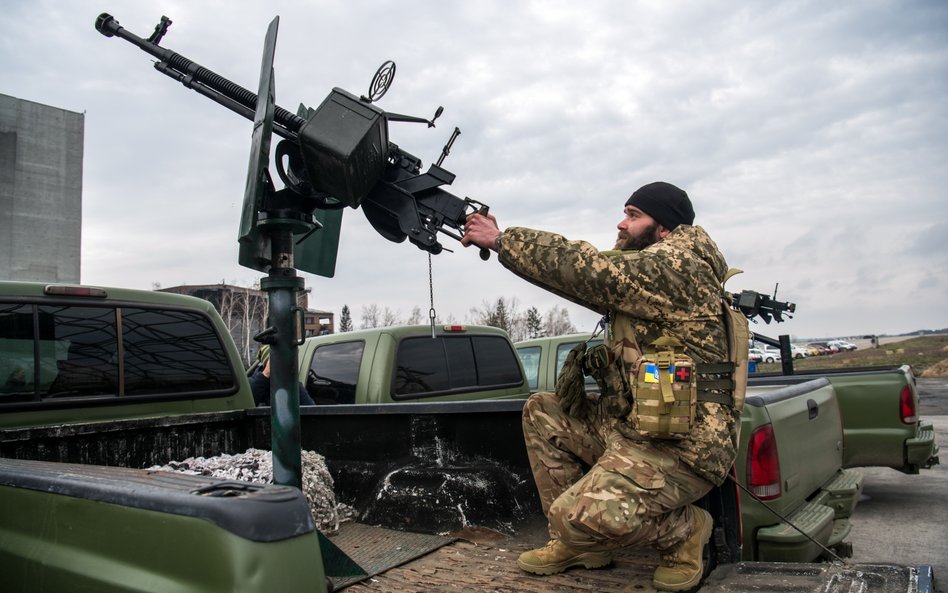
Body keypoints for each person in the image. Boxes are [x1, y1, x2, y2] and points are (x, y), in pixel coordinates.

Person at [461, 181, 738, 592]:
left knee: (574, 515)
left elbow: (585, 268)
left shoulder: (678, 266)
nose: (621, 224)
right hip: (635, 429)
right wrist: (508, 248)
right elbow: (575, 280)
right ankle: (580, 546)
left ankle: (683, 532)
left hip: (685, 444)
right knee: (543, 411)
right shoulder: (646, 277)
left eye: (632, 215)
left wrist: (502, 240)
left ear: (663, 227)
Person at [249, 346, 315, 407]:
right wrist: (266, 373)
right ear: (268, 363)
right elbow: (247, 404)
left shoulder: (293, 385)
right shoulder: (253, 383)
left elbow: (311, 410)